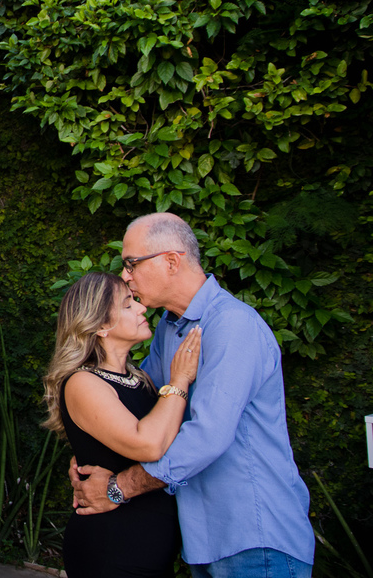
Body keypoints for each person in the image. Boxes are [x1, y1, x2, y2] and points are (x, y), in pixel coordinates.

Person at [71, 212, 314, 577]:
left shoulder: (232, 325)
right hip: (200, 541)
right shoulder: (171, 327)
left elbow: (207, 436)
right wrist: (88, 457)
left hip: (254, 536)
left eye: (132, 263)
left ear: (171, 261)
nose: (126, 275)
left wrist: (119, 487)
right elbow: (142, 406)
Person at [44, 271, 201, 577]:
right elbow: (149, 444)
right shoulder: (82, 382)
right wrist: (180, 380)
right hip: (112, 546)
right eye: (128, 305)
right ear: (101, 326)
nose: (142, 308)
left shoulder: (138, 379)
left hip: (148, 547)